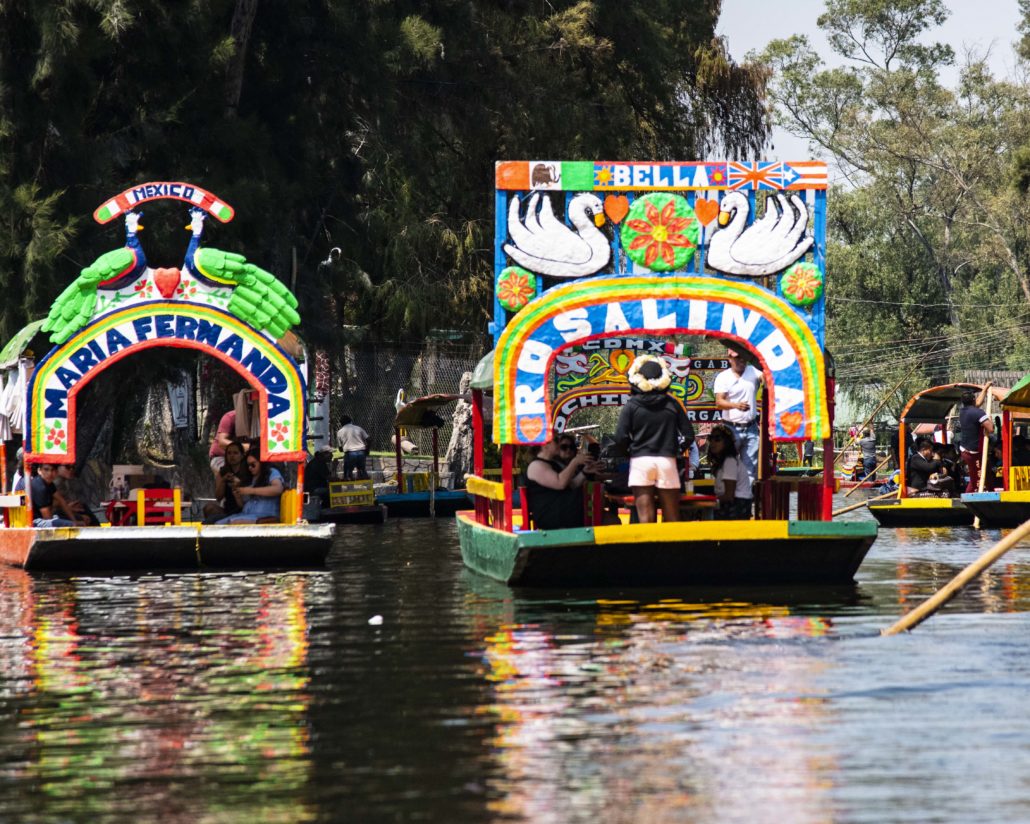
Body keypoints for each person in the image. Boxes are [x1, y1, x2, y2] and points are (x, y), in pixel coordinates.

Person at [614, 354, 695, 524]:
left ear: (638, 378)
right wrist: (676, 450)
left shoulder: (631, 405)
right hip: (667, 460)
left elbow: (620, 437)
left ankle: (647, 551)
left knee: (645, 517)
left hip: (641, 461)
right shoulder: (672, 404)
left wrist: (630, 453)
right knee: (672, 516)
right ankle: (673, 550)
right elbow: (689, 435)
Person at [523, 437, 596, 530]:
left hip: (563, 512)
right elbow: (560, 483)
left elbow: (571, 485)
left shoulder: (553, 464)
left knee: (601, 510)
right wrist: (575, 462)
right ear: (545, 445)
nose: (559, 444)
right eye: (556, 441)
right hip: (551, 515)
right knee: (602, 515)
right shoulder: (536, 466)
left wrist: (585, 472)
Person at [713, 348, 761, 485]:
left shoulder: (753, 371)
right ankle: (728, 499)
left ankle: (745, 500)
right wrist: (735, 405)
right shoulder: (723, 377)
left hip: (751, 427)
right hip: (730, 428)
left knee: (750, 468)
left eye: (743, 356)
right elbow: (719, 402)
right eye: (737, 357)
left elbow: (768, 377)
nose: (741, 360)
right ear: (729, 359)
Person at [216, 455, 285, 524]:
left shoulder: (271, 472)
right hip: (247, 514)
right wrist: (238, 496)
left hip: (265, 516)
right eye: (248, 465)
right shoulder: (251, 478)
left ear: (261, 463)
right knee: (218, 524)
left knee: (234, 523)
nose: (250, 468)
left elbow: (278, 489)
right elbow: (242, 506)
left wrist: (251, 490)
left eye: (253, 465)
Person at [705, 423, 753, 519]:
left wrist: (709, 501)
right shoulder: (724, 462)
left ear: (727, 442)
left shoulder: (729, 461)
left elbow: (729, 495)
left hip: (736, 507)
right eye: (711, 438)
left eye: (717, 439)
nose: (713, 443)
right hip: (735, 506)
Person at [958, 386, 995, 492]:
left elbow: (977, 403)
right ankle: (968, 500)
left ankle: (991, 493)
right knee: (977, 479)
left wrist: (985, 388)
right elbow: (991, 429)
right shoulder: (978, 413)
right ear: (973, 400)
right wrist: (990, 420)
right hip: (973, 452)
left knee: (987, 474)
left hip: (967, 449)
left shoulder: (963, 411)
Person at [203, 440, 249, 522]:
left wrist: (239, 485)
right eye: (229, 453)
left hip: (244, 508)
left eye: (235, 453)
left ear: (242, 456)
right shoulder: (223, 472)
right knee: (209, 508)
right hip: (228, 509)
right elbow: (218, 497)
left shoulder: (247, 471)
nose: (232, 456)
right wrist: (223, 481)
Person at [336, 415, 370, 480]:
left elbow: (340, 448)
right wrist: (367, 449)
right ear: (351, 421)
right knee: (362, 471)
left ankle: (348, 483)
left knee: (347, 474)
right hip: (361, 452)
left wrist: (345, 448)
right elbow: (369, 439)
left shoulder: (339, 432)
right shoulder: (358, 428)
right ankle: (367, 487)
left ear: (341, 424)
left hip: (349, 453)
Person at [209, 409, 238, 473]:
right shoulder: (230, 417)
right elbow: (222, 442)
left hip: (242, 460)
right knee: (228, 475)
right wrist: (243, 447)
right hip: (220, 457)